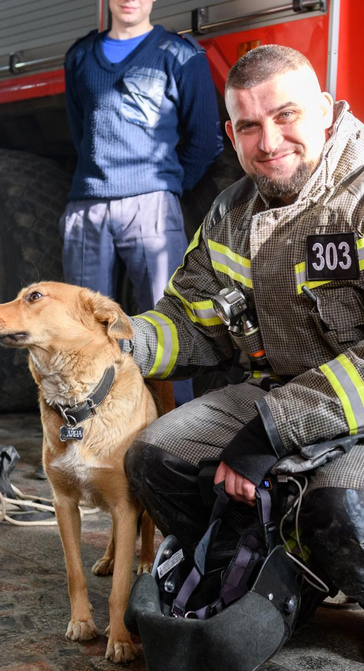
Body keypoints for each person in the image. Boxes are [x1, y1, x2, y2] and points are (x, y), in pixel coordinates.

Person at [124, 44, 364, 665]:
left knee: (349, 510)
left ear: (325, 110)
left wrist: (271, 430)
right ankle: (278, 558)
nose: (269, 142)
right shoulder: (230, 213)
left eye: (286, 116)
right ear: (231, 134)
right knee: (155, 459)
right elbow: (193, 320)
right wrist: (113, 343)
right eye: (249, 126)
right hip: (281, 389)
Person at [61, 0, 223, 404]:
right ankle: (86, 425)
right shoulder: (80, 57)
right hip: (88, 207)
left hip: (152, 205)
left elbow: (207, 139)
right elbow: (80, 131)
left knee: (169, 322)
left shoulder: (181, 56)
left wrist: (164, 186)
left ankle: (176, 430)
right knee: (79, 327)